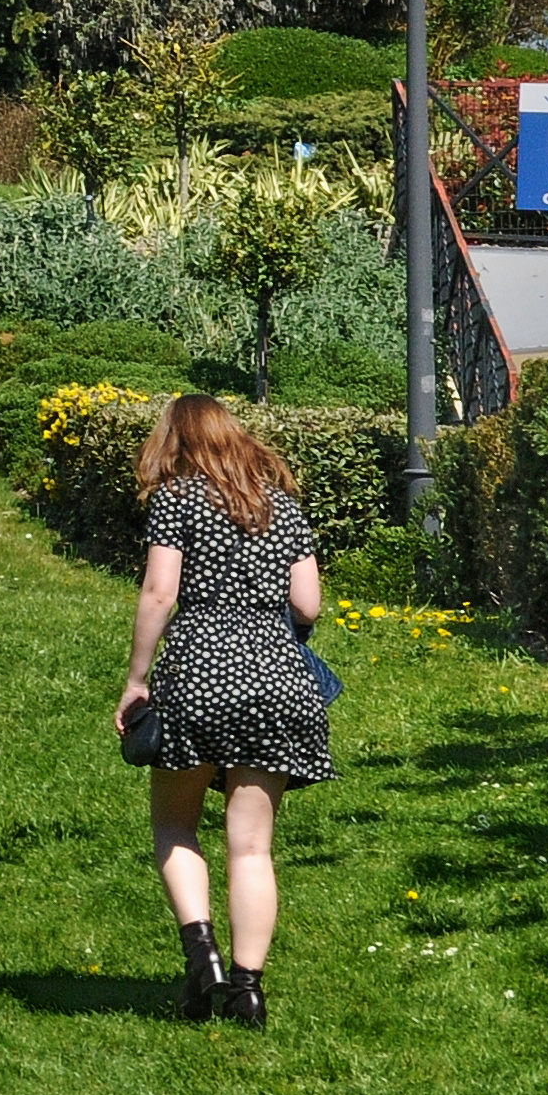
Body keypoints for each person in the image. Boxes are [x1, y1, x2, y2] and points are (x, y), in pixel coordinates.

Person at [116, 395, 332, 1030]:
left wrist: (135, 679)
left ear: (174, 442)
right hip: (280, 678)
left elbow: (160, 590)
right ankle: (247, 989)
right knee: (252, 846)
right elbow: (309, 606)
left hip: (200, 671)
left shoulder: (176, 499)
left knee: (175, 827)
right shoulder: (281, 505)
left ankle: (200, 953)